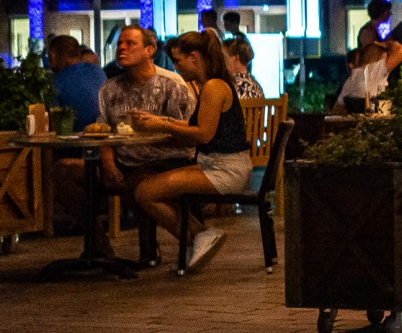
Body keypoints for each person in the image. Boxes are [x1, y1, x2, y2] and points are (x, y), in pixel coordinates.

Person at [128, 32, 251, 271]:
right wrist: (162, 120)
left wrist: (162, 125)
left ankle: (199, 235)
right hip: (218, 165)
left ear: (194, 57)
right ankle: (196, 239)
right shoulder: (212, 84)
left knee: (144, 192)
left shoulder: (214, 87)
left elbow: (203, 134)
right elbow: (200, 126)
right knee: (154, 188)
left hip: (225, 171)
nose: (176, 67)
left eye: (178, 60)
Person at [90, 26, 198, 263]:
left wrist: (158, 126)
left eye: (130, 43)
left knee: (137, 181)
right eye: (120, 43)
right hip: (123, 160)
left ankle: (192, 237)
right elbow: (103, 132)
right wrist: (108, 164)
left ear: (150, 51)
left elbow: (191, 135)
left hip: (167, 160)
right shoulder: (109, 89)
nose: (121, 48)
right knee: (65, 172)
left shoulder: (172, 84)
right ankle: (98, 249)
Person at [48, 36, 107, 127]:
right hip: (103, 132)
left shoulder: (54, 82)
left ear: (53, 55)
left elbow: (54, 122)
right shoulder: (99, 71)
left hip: (71, 135)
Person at [336, 41, 402, 113]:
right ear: (383, 58)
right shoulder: (376, 70)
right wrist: (386, 44)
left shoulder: (351, 78)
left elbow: (337, 108)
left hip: (357, 119)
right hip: (377, 118)